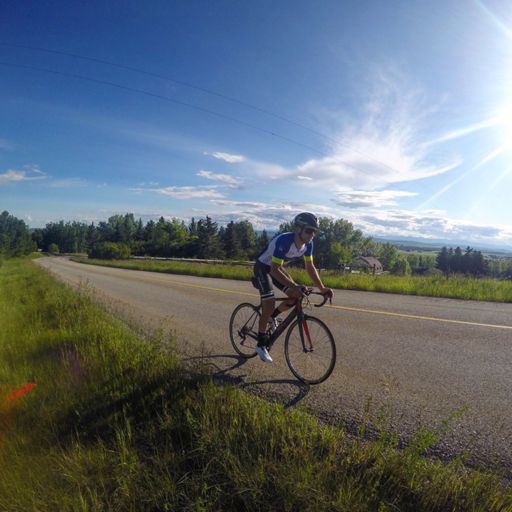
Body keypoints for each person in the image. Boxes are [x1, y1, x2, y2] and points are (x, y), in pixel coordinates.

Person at [251, 212, 334, 363]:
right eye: (309, 230)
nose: (312, 235)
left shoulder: (308, 244)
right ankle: (261, 344)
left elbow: (310, 267)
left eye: (315, 232)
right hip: (263, 268)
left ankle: (271, 317)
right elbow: (273, 269)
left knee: (296, 296)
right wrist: (295, 285)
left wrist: (322, 288)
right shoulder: (285, 241)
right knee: (269, 303)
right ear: (297, 229)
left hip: (277, 268)